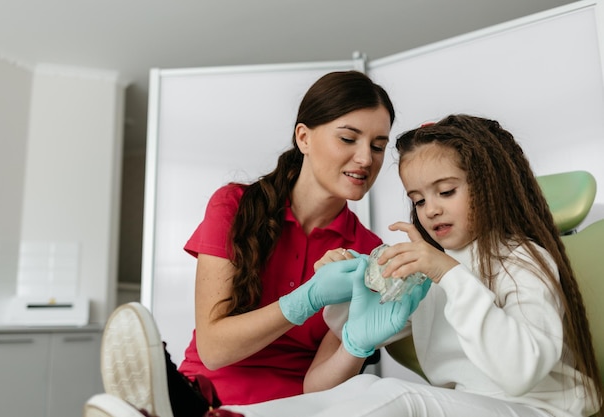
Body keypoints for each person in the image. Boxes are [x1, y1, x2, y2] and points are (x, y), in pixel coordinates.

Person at [215, 114, 602, 417]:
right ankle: (222, 415)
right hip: (473, 404)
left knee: (397, 396)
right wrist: (354, 288)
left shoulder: (523, 260)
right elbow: (366, 329)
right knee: (361, 388)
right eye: (417, 199)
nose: (430, 209)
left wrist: (450, 275)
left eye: (445, 192)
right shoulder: (434, 267)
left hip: (541, 409)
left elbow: (518, 373)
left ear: (489, 185)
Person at [90, 70, 398, 417]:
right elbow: (214, 349)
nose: (365, 159)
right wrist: (307, 298)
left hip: (293, 407)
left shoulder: (367, 252)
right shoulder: (234, 207)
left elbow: (319, 386)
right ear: (304, 138)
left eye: (378, 146)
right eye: (348, 139)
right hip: (210, 390)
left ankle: (160, 403)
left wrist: (358, 340)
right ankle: (175, 399)